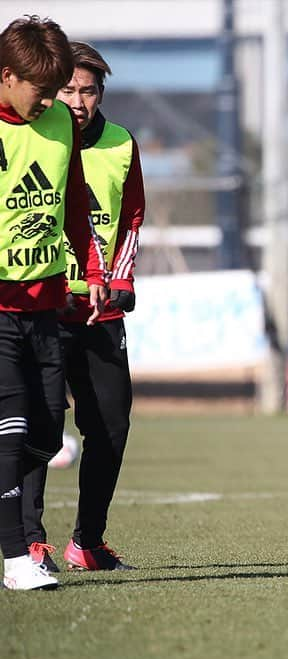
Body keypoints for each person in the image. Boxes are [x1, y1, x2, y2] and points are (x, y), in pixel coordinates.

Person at [22, 41, 144, 572]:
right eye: (68, 89)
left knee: (111, 428)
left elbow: (133, 218)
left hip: (101, 314)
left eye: (88, 90)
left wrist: (120, 278)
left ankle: (86, 541)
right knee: (38, 426)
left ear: (100, 95)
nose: (77, 100)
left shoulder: (121, 144)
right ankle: (30, 541)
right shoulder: (34, 137)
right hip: (44, 305)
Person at [0, 16, 106, 590]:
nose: (50, 103)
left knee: (44, 433)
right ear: (7, 75)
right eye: (41, 91)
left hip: (44, 304)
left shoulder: (61, 121)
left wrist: (93, 271)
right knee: (11, 428)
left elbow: (72, 206)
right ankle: (17, 560)